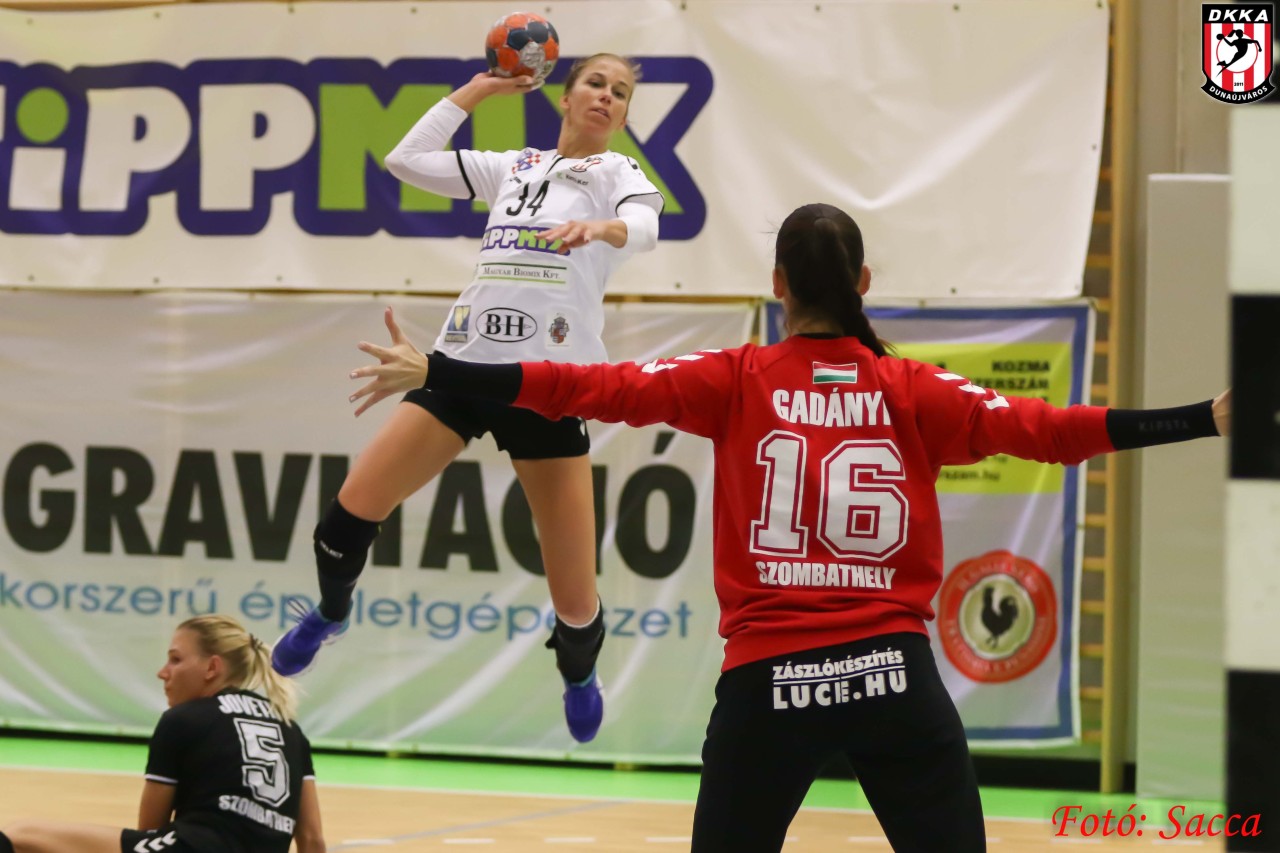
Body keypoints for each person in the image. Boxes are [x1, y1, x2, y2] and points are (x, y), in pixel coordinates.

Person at [343, 202, 1231, 852]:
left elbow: (586, 387)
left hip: (770, 683)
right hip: (893, 676)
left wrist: (446, 370)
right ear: (864, 285)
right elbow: (1057, 431)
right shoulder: (915, 389)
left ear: (777, 285)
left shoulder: (734, 377)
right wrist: (1203, 417)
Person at [271, 53, 663, 745]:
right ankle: (331, 612)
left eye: (621, 92)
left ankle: (578, 672)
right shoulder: (514, 167)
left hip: (549, 385)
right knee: (347, 514)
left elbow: (647, 226)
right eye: (596, 84)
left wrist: (602, 229)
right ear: (566, 96)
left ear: (625, 113)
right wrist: (480, 89)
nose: (607, 96)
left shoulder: (616, 174)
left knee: (576, 603)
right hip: (464, 368)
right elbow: (405, 159)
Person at [1, 615, 324, 853]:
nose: (162, 673)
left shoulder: (183, 719)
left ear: (212, 668)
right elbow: (312, 841)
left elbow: (149, 831)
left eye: (175, 659)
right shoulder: (291, 729)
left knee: (21, 835)